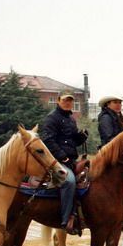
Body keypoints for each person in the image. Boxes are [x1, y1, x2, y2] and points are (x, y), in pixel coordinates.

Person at [40, 93, 88, 235]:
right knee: (70, 182)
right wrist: (62, 156)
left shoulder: (71, 119)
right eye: (65, 100)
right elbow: (48, 140)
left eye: (70, 101)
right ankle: (66, 219)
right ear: (59, 101)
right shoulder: (52, 118)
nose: (68, 103)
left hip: (71, 159)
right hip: (56, 160)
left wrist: (81, 137)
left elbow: (73, 141)